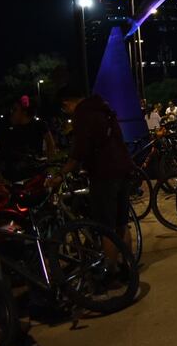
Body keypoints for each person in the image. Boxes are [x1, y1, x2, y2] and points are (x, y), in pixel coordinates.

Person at [47, 86, 135, 260]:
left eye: (65, 109)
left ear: (67, 103)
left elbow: (78, 153)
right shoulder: (103, 108)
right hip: (124, 169)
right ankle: (128, 268)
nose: (67, 113)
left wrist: (60, 174)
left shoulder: (83, 114)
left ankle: (111, 273)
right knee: (122, 224)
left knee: (106, 229)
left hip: (104, 174)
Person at [2, 96, 57, 170]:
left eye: (15, 110)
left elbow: (50, 144)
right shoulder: (11, 128)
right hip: (16, 169)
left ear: (24, 112)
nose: (12, 112)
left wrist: (49, 162)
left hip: (35, 168)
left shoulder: (39, 125)